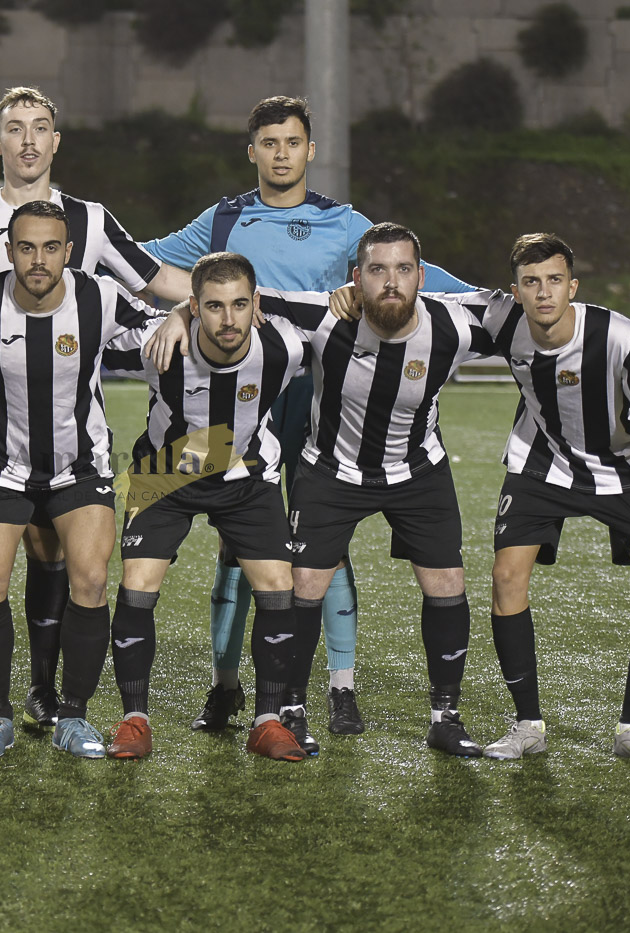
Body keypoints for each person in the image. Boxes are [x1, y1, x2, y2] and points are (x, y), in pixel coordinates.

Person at [141, 96, 474, 735]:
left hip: (319, 401)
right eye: (269, 143)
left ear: (310, 150)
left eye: (292, 142)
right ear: (252, 152)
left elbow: (411, 275)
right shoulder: (224, 219)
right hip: (238, 399)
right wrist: (181, 308)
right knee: (238, 543)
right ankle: (226, 687)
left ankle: (340, 688)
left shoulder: (344, 223)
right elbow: (148, 263)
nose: (281, 154)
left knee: (324, 544)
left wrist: (498, 296)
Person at [0, 85, 190, 732]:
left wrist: (218, 297)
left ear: (55, 141)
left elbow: (154, 280)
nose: (28, 140)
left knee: (55, 557)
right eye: (15, 128)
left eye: (39, 127)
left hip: (70, 430)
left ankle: (46, 692)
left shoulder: (90, 220)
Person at [250, 222, 490, 757]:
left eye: (403, 269)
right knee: (303, 587)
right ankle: (292, 710)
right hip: (331, 471)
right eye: (377, 270)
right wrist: (183, 310)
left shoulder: (453, 325)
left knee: (447, 584)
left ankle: (445, 716)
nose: (391, 282)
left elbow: (523, 311)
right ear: (357, 278)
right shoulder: (325, 316)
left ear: (421, 276)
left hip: (418, 472)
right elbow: (240, 296)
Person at [0, 200, 159, 759]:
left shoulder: (101, 297)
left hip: (79, 466)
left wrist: (185, 315)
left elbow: (159, 325)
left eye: (50, 248)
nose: (38, 260)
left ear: (68, 251)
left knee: (89, 580)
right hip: (0, 465)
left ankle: (73, 716)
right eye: (26, 247)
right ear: (8, 251)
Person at [477, 235, 630, 764]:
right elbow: (433, 291)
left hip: (622, 468)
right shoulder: (502, 322)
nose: (543, 292)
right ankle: (527, 724)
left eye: (554, 280)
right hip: (541, 464)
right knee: (506, 577)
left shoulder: (619, 337)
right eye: (530, 282)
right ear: (515, 291)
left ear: (573, 286)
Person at [100, 252, 308, 761]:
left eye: (240, 305)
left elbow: (347, 317)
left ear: (256, 304)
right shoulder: (158, 346)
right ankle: (134, 719)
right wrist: (169, 317)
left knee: (278, 586)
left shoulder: (286, 345)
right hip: (167, 470)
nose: (229, 319)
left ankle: (267, 721)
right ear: (195, 307)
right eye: (214, 306)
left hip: (244, 472)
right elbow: (84, 341)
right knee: (137, 584)